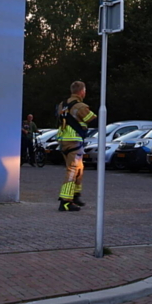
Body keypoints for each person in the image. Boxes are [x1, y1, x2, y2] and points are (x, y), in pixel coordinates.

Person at [55, 81, 97, 212]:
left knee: (79, 168)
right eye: (85, 91)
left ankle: (75, 195)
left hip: (63, 140)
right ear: (82, 92)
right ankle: (65, 201)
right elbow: (93, 120)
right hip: (74, 140)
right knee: (73, 170)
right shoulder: (80, 106)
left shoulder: (62, 104)